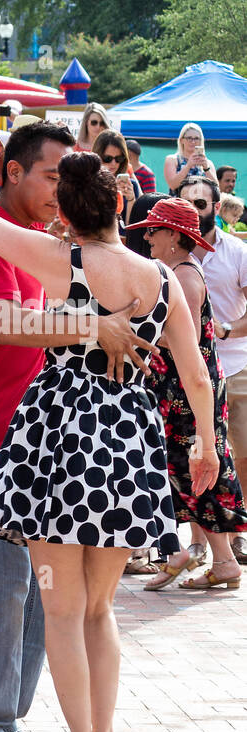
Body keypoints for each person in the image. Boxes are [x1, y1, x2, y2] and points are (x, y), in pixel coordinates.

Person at [0, 148, 219, 732]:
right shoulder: (159, 277)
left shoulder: (60, 259)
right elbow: (195, 376)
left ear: (68, 214)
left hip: (58, 442)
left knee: (63, 608)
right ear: (118, 207)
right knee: (101, 610)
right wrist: (206, 447)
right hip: (130, 441)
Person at [0, 122, 157, 732]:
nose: (61, 187)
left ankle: (6, 719)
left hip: (41, 447)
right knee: (3, 589)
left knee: (46, 597)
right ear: (12, 173)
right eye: (50, 173)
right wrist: (93, 326)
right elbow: (6, 326)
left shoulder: (42, 244)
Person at [132, 197, 247, 591]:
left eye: (154, 229)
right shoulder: (176, 270)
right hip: (181, 387)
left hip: (186, 388)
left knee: (193, 469)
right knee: (185, 469)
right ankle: (205, 555)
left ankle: (209, 557)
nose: (147, 236)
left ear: (173, 236)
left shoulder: (182, 275)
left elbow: (189, 340)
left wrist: (135, 331)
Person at [176, 176, 247, 565]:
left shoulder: (237, 252)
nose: (194, 212)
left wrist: (226, 330)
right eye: (187, 204)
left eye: (200, 205)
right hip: (189, 371)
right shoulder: (168, 255)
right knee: (197, 456)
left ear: (216, 208)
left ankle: (239, 535)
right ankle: (200, 540)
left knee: (243, 452)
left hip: (235, 365)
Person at [93, 129, 138, 225]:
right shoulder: (87, 184)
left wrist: (131, 200)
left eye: (118, 158)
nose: (113, 163)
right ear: (97, 156)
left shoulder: (131, 186)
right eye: (107, 158)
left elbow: (132, 229)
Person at [165, 123, 215, 194]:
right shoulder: (172, 159)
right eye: (189, 138)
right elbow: (173, 185)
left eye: (196, 138)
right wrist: (188, 166)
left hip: (200, 203)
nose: (193, 141)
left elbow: (216, 188)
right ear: (181, 140)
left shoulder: (208, 163)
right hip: (178, 203)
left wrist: (206, 168)